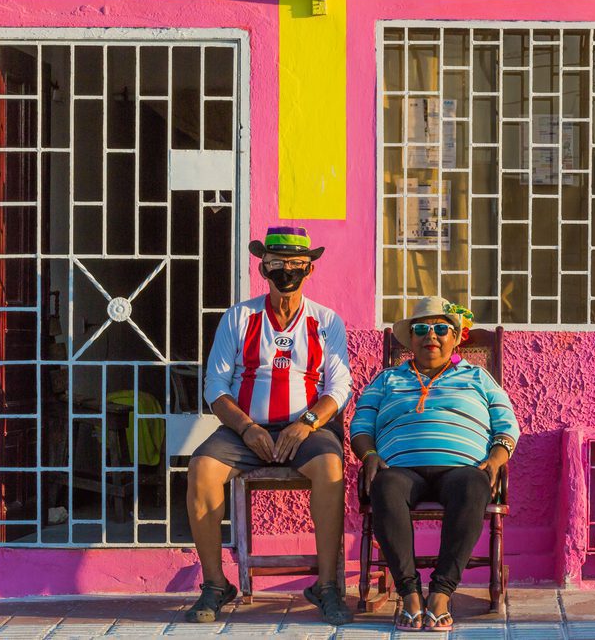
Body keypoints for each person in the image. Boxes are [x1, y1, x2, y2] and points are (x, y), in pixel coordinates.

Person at [185, 226, 353, 625]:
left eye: (296, 263)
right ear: (263, 268)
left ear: (309, 268)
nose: (286, 271)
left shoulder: (326, 321)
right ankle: (215, 584)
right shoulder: (240, 317)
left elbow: (339, 386)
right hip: (244, 431)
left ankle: (326, 585)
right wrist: (247, 428)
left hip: (307, 431)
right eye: (277, 263)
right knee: (201, 468)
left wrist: (307, 423)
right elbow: (215, 386)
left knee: (331, 468)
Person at [349, 296, 520, 631]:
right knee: (384, 486)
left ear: (455, 337)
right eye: (421, 329)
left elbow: (507, 425)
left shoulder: (478, 377)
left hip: (462, 470)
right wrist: (369, 455)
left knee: (474, 485)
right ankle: (410, 595)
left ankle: (441, 594)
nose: (432, 336)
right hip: (400, 470)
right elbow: (361, 426)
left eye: (441, 329)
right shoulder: (386, 379)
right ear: (410, 339)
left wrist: (496, 459)